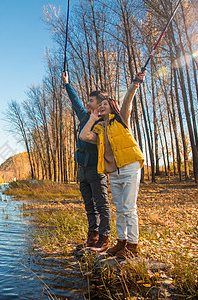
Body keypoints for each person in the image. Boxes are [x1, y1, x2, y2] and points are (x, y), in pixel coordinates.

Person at [79, 71, 146, 259]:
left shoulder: (121, 120)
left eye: (104, 105)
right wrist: (92, 118)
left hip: (130, 166)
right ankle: (122, 242)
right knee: (119, 207)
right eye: (99, 106)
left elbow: (127, 102)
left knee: (128, 207)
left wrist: (135, 84)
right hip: (114, 172)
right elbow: (84, 136)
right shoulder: (100, 129)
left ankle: (133, 244)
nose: (101, 107)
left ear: (112, 107)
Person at [63, 71, 110, 252]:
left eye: (91, 101)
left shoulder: (105, 123)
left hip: (96, 170)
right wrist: (67, 84)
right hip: (82, 168)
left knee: (102, 204)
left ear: (100, 104)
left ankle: (104, 239)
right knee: (89, 205)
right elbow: (74, 101)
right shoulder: (84, 117)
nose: (87, 103)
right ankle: (93, 237)